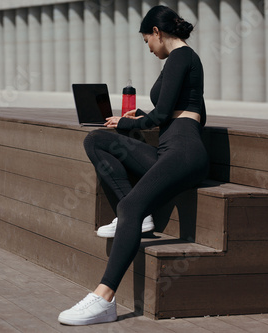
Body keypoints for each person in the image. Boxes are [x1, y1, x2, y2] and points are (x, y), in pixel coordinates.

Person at [58, 5, 209, 326]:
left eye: (147, 42)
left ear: (157, 32)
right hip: (171, 148)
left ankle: (103, 299)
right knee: (97, 140)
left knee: (129, 206)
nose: (149, 49)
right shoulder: (184, 61)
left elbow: (166, 112)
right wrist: (138, 117)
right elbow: (184, 111)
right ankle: (141, 218)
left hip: (184, 152)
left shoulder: (181, 57)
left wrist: (133, 123)